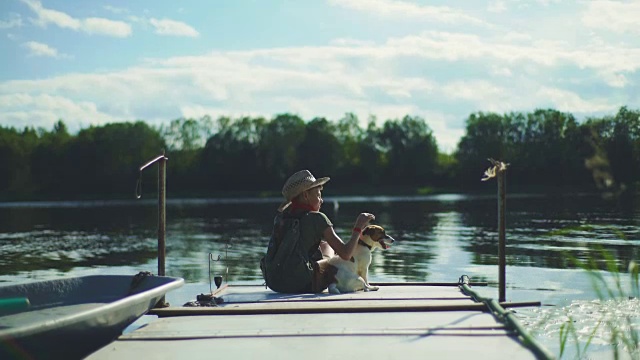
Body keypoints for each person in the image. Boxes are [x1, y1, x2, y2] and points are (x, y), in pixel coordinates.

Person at [264, 169, 375, 293]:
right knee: (331, 254)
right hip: (300, 284)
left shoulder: (282, 218)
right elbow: (346, 254)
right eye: (318, 195)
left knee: (324, 245)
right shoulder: (317, 218)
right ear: (306, 195)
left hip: (275, 283)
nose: (321, 200)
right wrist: (358, 226)